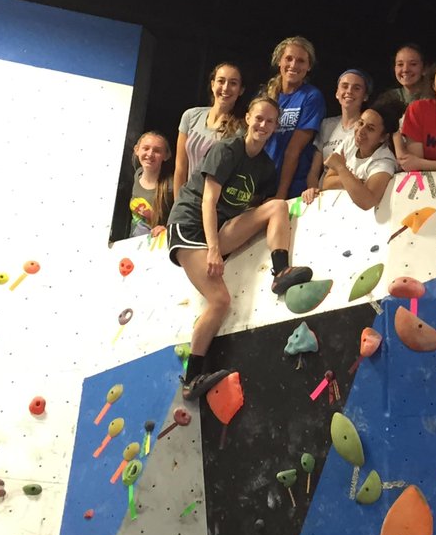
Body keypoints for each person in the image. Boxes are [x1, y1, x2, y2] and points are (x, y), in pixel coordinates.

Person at [166, 96, 313, 400]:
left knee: (276, 207)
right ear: (247, 118)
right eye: (258, 118)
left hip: (219, 230)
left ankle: (280, 270)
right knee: (220, 300)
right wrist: (213, 250)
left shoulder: (265, 167)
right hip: (191, 227)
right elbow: (208, 201)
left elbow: (257, 211)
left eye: (270, 121)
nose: (263, 125)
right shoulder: (226, 150)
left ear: (275, 127)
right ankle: (192, 379)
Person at [304, 96, 406, 211]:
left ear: (383, 137)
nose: (361, 131)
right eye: (361, 123)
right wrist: (355, 182)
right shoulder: (350, 141)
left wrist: (341, 168)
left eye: (370, 128)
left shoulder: (384, 162)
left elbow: (367, 202)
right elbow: (327, 183)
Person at [263, 36, 326, 200]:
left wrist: (281, 193)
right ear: (279, 62)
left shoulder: (312, 97)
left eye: (300, 61)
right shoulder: (266, 96)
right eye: (288, 58)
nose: (293, 65)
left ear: (309, 66)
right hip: (261, 183)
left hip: (292, 187)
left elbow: (294, 150)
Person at [173, 62, 245, 199]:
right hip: (187, 204)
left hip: (215, 206)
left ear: (241, 90)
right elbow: (180, 168)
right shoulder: (190, 116)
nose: (225, 88)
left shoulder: (240, 131)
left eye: (233, 83)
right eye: (221, 81)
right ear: (212, 85)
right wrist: (178, 207)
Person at [306, 69, 373, 192]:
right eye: (345, 86)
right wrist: (312, 190)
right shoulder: (326, 125)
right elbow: (314, 171)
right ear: (337, 93)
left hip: (352, 193)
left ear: (365, 96)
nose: (349, 91)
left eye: (356, 88)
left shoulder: (369, 128)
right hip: (324, 195)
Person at [130, 131, 174, 237]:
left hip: (155, 246)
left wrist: (167, 229)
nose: (150, 154)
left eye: (157, 151)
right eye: (146, 148)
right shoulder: (138, 174)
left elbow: (183, 218)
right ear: (137, 150)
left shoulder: (171, 186)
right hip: (133, 243)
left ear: (166, 155)